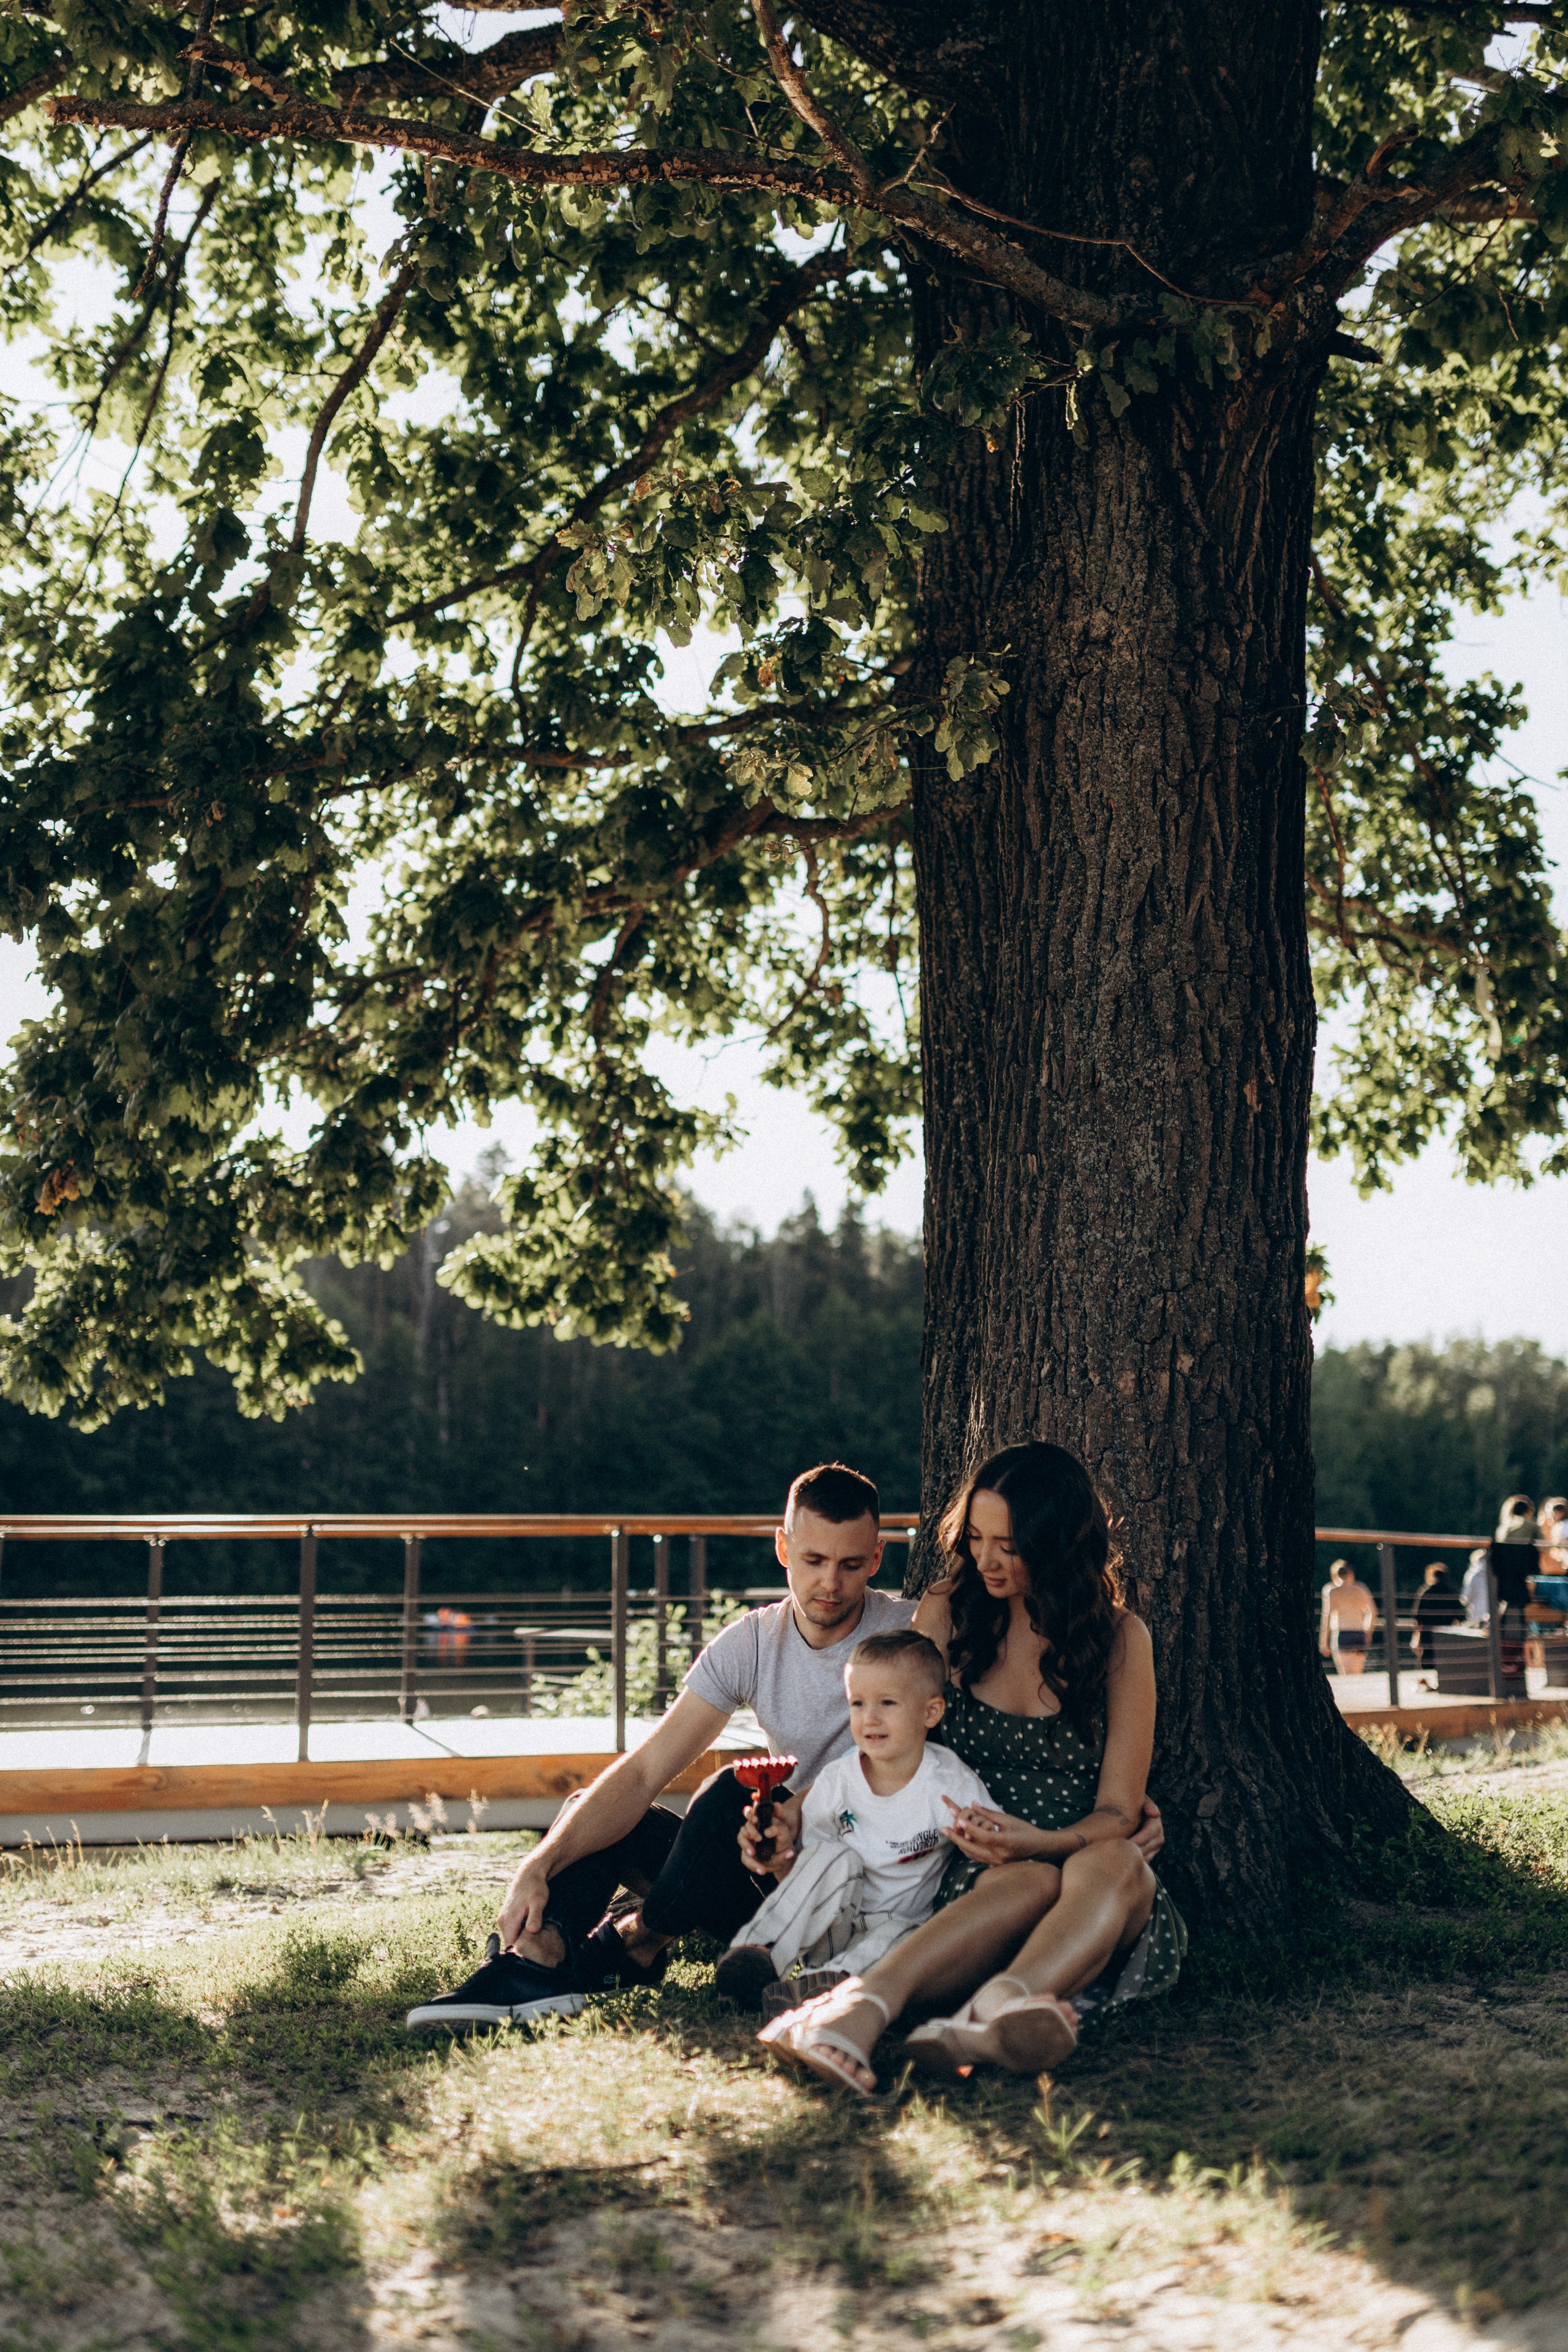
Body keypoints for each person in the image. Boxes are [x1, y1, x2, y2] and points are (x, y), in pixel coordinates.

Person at [402, 1463, 1168, 2033]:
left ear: (877, 1559)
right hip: (772, 1851)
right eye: (811, 1560)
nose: (829, 1584)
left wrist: (1094, 1820)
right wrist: (537, 1864)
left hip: (861, 1864)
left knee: (736, 1790)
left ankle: (638, 1937)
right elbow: (643, 1771)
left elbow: (1020, 1760)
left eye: (849, 1563)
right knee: (606, 1810)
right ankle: (537, 1965)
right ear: (782, 1550)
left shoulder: (914, 1631)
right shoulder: (762, 1641)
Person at [757, 1441, 1185, 2094]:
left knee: (1117, 1861)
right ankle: (862, 2013)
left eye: (1008, 1545)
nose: (985, 1559)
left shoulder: (1121, 1640)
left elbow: (1120, 1812)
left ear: (1057, 1542)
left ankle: (982, 2019)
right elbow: (885, 1740)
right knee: (1027, 1881)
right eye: (977, 1537)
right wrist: (801, 1802)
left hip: (1084, 1868)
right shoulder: (949, 1612)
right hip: (975, 1869)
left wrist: (1040, 1840)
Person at [718, 1629, 995, 2008]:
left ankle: (819, 1991)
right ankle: (758, 1956)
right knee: (836, 1856)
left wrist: (978, 1830)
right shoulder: (838, 1780)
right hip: (832, 1923)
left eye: (887, 1703)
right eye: (858, 1704)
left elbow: (995, 1832)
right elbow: (811, 1869)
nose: (870, 1719)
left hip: (894, 1930)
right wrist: (781, 1863)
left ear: (931, 1712)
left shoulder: (949, 1781)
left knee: (908, 1934)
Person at [1318, 1559, 1376, 1674]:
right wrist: (1368, 1633)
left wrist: (1324, 1642)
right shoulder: (1361, 1589)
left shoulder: (1331, 1590)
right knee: (1358, 1674)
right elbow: (1373, 1613)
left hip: (1342, 1634)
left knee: (1346, 1676)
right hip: (1359, 1634)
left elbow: (1327, 1617)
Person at [1413, 1562, 1463, 1685]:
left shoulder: (1426, 1592)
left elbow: (1418, 1617)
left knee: (1427, 1659)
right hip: (1447, 1634)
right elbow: (1461, 1616)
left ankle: (1428, 1683)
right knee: (1446, 1659)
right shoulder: (1453, 1592)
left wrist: (1417, 1635)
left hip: (1428, 1633)